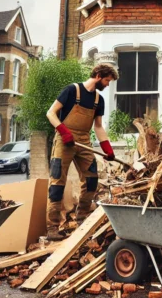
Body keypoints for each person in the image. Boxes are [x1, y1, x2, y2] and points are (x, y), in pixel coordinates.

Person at [45, 64, 118, 241]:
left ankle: (82, 219)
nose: (107, 84)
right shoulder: (72, 90)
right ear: (98, 75)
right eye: (107, 80)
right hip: (64, 139)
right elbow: (51, 113)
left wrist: (107, 148)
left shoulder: (98, 100)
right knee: (57, 182)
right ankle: (52, 227)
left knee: (91, 179)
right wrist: (64, 131)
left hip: (84, 140)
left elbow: (98, 126)